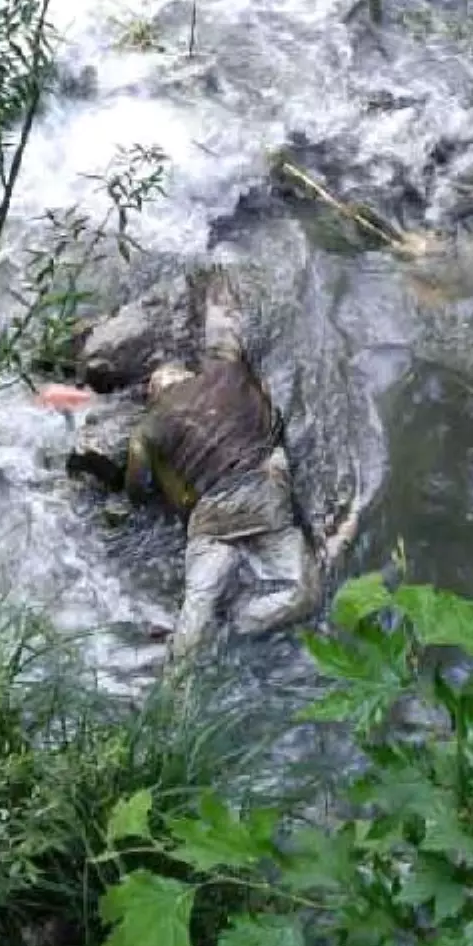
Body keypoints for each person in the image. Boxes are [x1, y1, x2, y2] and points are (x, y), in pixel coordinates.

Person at [122, 277, 323, 662]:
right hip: (262, 489)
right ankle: (237, 624)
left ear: (153, 394)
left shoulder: (148, 427)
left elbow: (137, 485)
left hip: (210, 515)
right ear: (183, 375)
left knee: (197, 604)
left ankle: (181, 670)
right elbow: (230, 334)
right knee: (303, 593)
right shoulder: (225, 375)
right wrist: (216, 284)